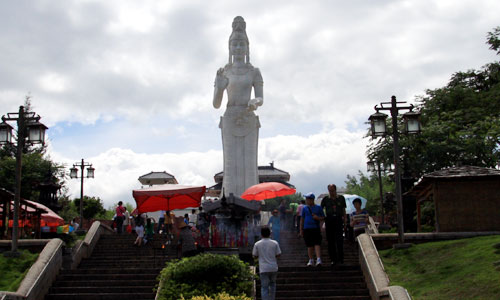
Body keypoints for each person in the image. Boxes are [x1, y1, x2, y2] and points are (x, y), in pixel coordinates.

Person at [213, 16, 264, 197]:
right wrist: (219, 88)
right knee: (231, 161)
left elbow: (260, 98)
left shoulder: (254, 71)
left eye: (242, 44)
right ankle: (229, 197)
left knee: (249, 162)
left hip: (248, 117)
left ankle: (251, 196)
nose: (238, 48)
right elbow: (216, 103)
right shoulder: (224, 71)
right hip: (230, 116)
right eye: (235, 44)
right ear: (230, 47)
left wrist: (254, 102)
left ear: (247, 46)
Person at [320, 184, 347, 265]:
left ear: (335, 190)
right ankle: (333, 259)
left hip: (338, 220)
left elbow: (343, 210)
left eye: (332, 190)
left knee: (339, 240)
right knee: (330, 241)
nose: (331, 192)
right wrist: (322, 221)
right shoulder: (325, 199)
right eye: (330, 190)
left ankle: (341, 259)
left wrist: (345, 222)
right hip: (329, 220)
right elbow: (321, 210)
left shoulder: (341, 198)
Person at [252, 226, 281, 300]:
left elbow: (254, 255)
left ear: (261, 234)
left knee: (264, 287)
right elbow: (278, 255)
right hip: (273, 268)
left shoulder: (257, 244)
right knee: (273, 285)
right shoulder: (275, 243)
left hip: (263, 268)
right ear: (270, 233)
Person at [300, 193, 325, 266]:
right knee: (309, 245)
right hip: (307, 228)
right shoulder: (304, 208)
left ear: (312, 200)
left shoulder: (318, 208)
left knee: (317, 243)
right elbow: (302, 219)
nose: (307, 201)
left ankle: (318, 259)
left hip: (315, 227)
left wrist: (318, 218)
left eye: (308, 199)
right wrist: (301, 229)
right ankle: (311, 259)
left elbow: (323, 217)